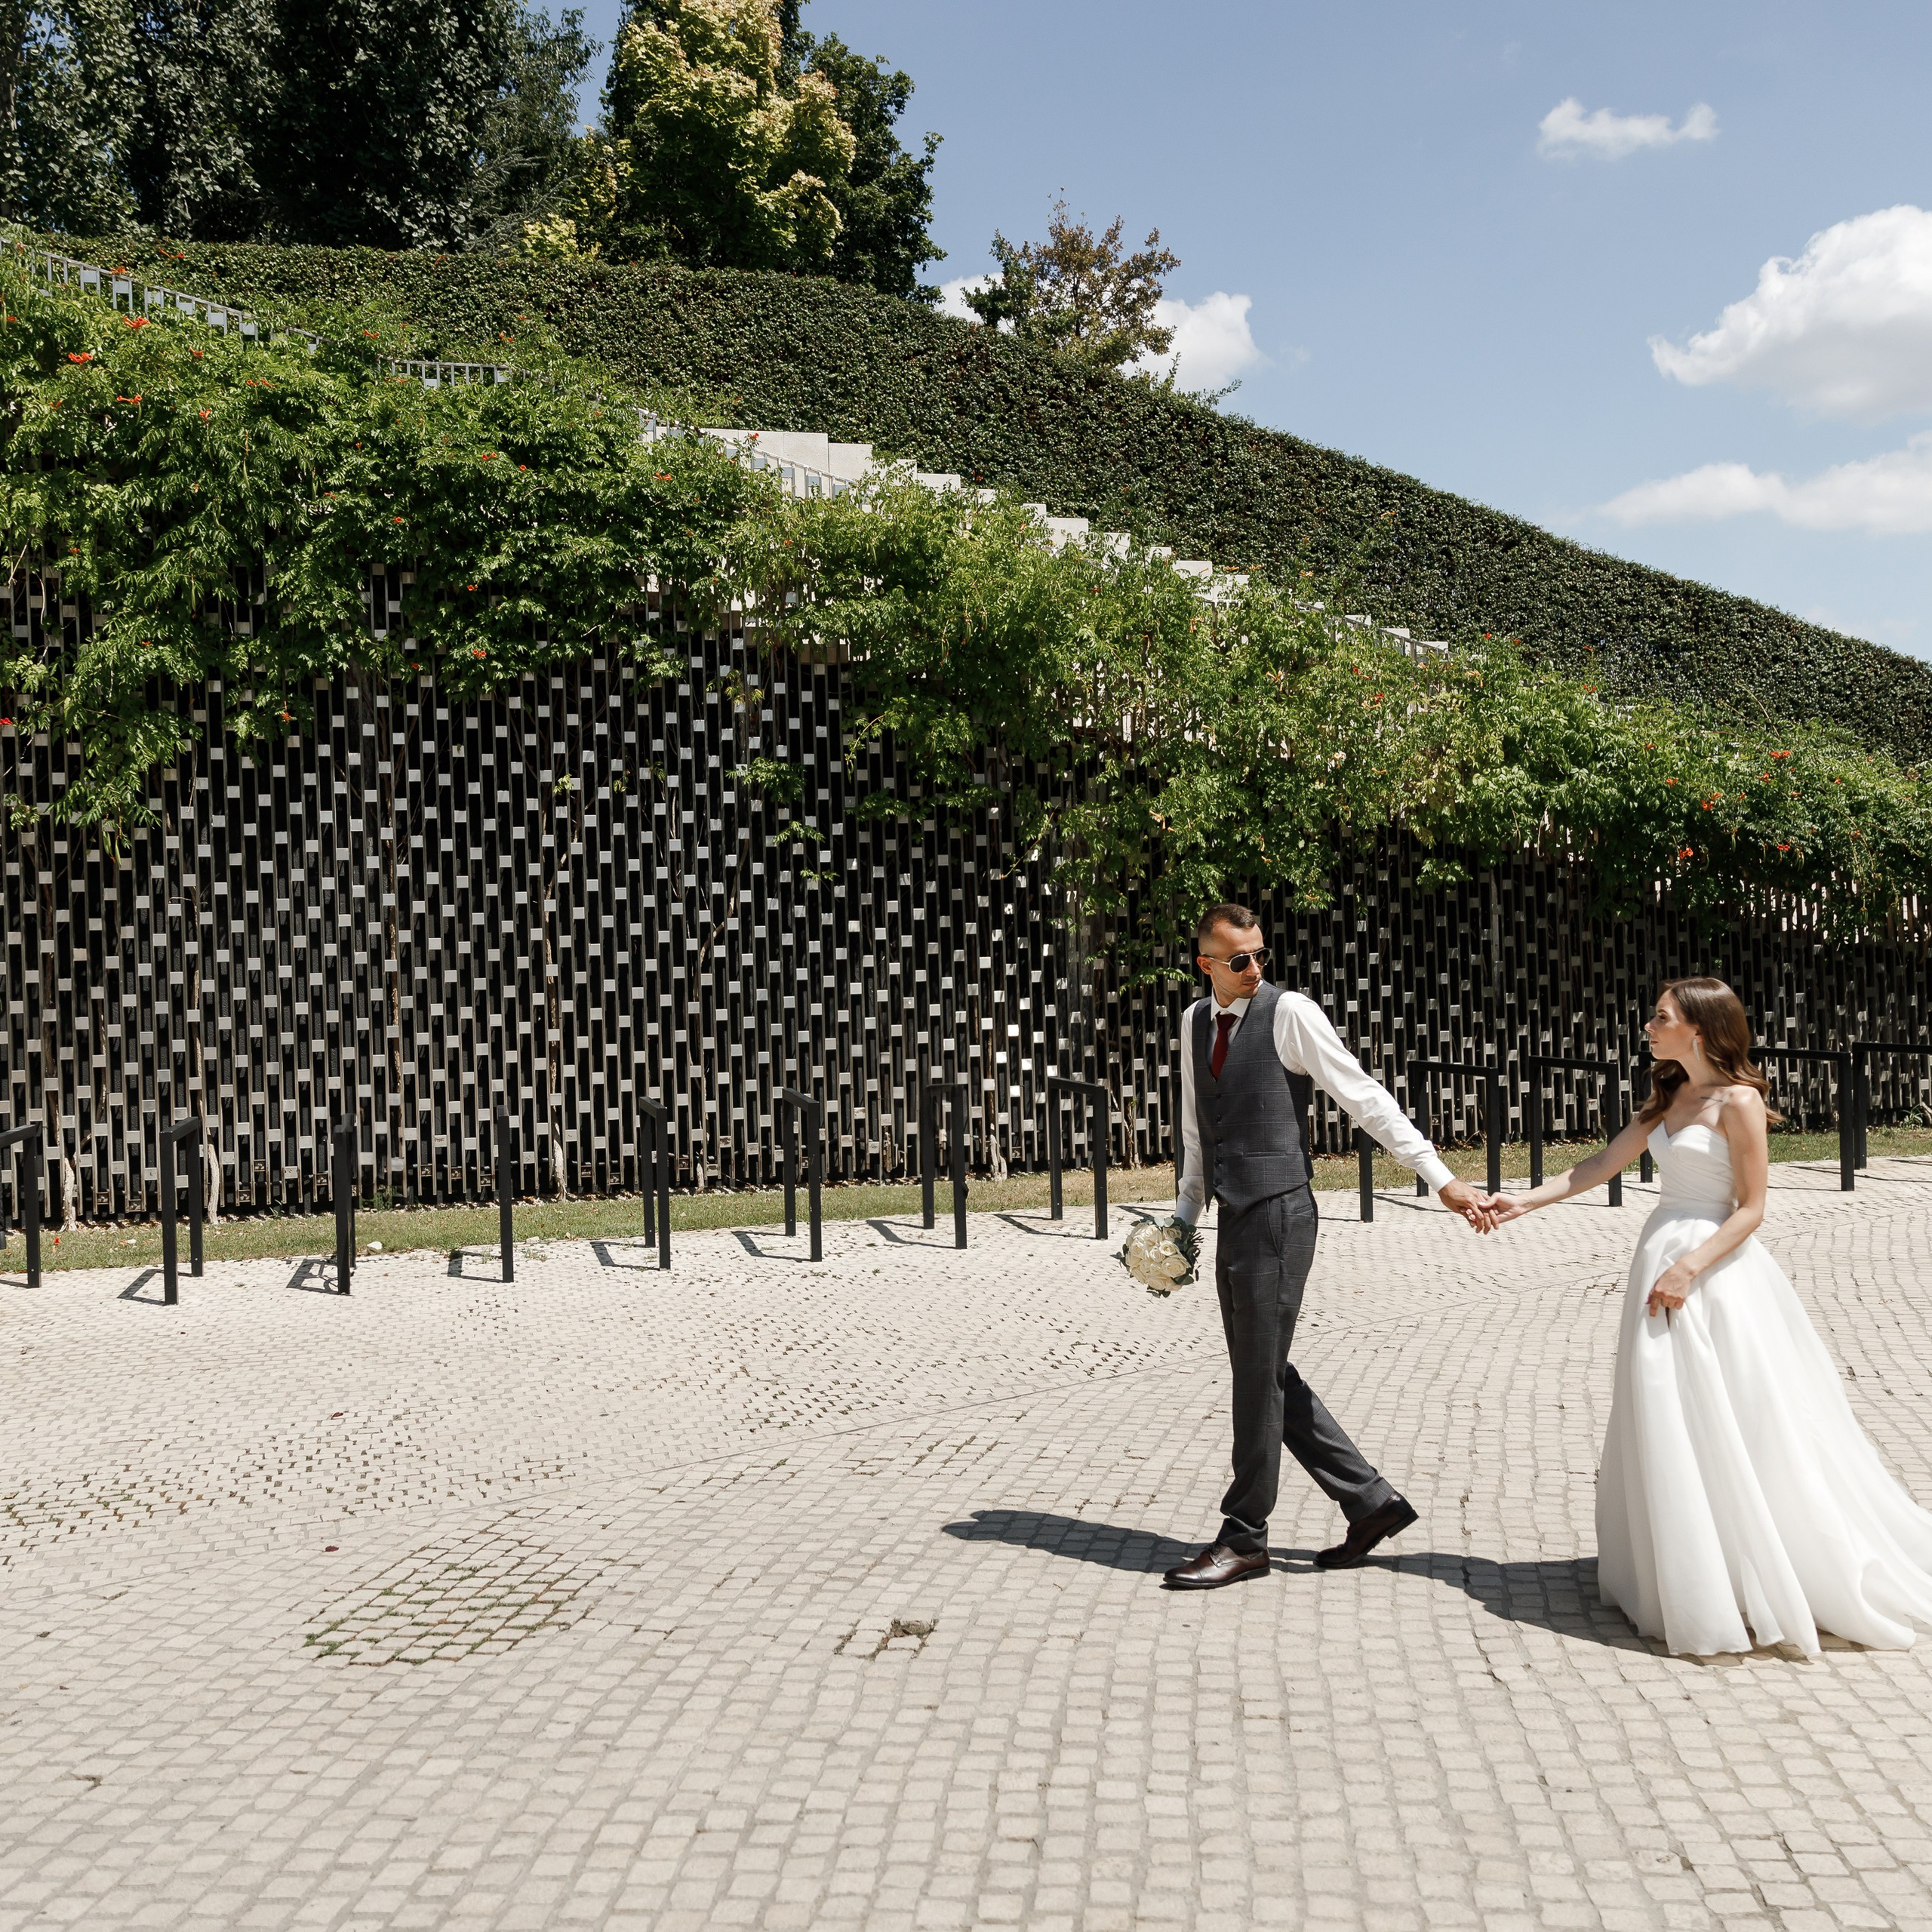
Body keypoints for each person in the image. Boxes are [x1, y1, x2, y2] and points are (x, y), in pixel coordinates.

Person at [1487, 977, 1932, 1655]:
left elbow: (1752, 1208)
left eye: (1659, 1018)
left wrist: (1689, 1268)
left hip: (1714, 1272)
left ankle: (1761, 1562)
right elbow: (1601, 1164)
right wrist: (1521, 1203)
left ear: (1698, 1028)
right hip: (1659, 1252)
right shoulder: (1667, 1096)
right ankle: (1691, 1563)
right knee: (1664, 1407)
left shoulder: (1739, 1102)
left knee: (1739, 1411)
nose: (1648, 1026)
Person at [1162, 903, 1496, 1591]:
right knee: (1266, 1373)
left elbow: (1364, 1097)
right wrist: (1183, 1222)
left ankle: (1245, 1536)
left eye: (1260, 955)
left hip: (1282, 1213)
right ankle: (1370, 1503)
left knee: (1257, 1375)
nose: (1255, 969)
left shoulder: (1291, 1014)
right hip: (1233, 1215)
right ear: (1206, 966)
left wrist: (1439, 1178)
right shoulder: (1196, 1022)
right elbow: (1197, 1130)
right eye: (1238, 960)